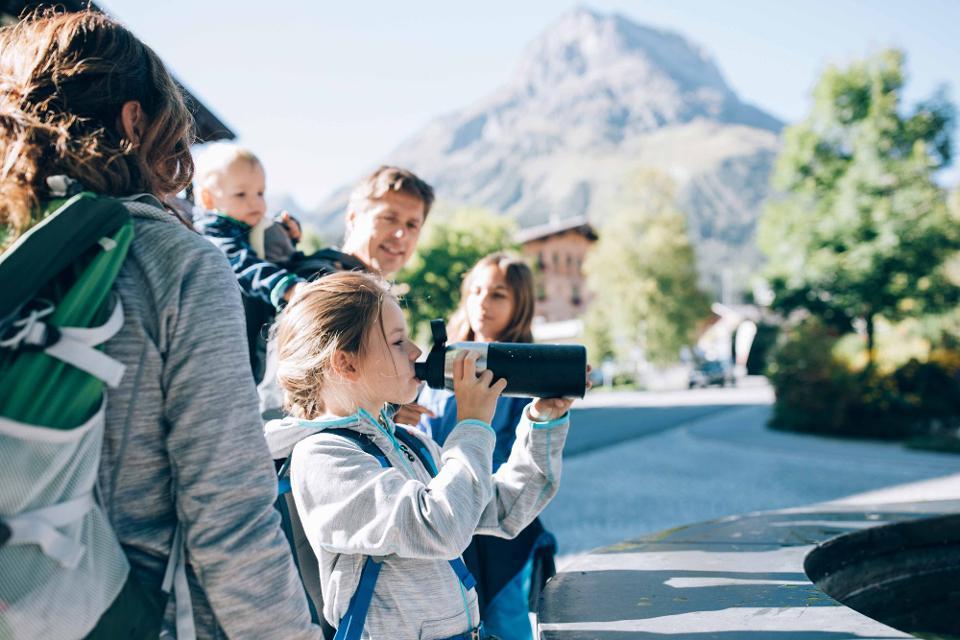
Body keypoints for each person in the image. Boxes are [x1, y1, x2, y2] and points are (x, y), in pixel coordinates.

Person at [0, 10, 321, 638]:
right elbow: (229, 517)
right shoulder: (173, 261)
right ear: (133, 119)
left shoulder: (14, 246)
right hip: (129, 615)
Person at [263, 272, 573, 639]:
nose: (414, 351)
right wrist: (472, 424)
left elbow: (503, 509)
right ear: (345, 363)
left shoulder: (411, 443)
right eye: (397, 342)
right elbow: (440, 527)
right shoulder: (323, 457)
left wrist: (542, 423)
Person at [413, 252, 554, 640]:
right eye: (475, 291)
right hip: (442, 512)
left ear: (520, 303)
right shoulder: (443, 361)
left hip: (498, 524)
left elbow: (523, 454)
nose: (482, 303)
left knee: (506, 620)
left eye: (497, 294)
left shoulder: (530, 369)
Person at [258, 165, 435, 414]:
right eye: (389, 218)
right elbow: (292, 386)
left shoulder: (375, 295)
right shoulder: (322, 285)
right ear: (353, 218)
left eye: (412, 225)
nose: (400, 234)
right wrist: (388, 410)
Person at [193, 143, 304, 380]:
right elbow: (243, 265)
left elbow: (267, 251)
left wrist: (288, 234)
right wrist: (286, 286)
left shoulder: (244, 222)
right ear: (209, 199)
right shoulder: (214, 234)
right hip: (230, 345)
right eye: (241, 194)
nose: (255, 203)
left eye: (260, 193)